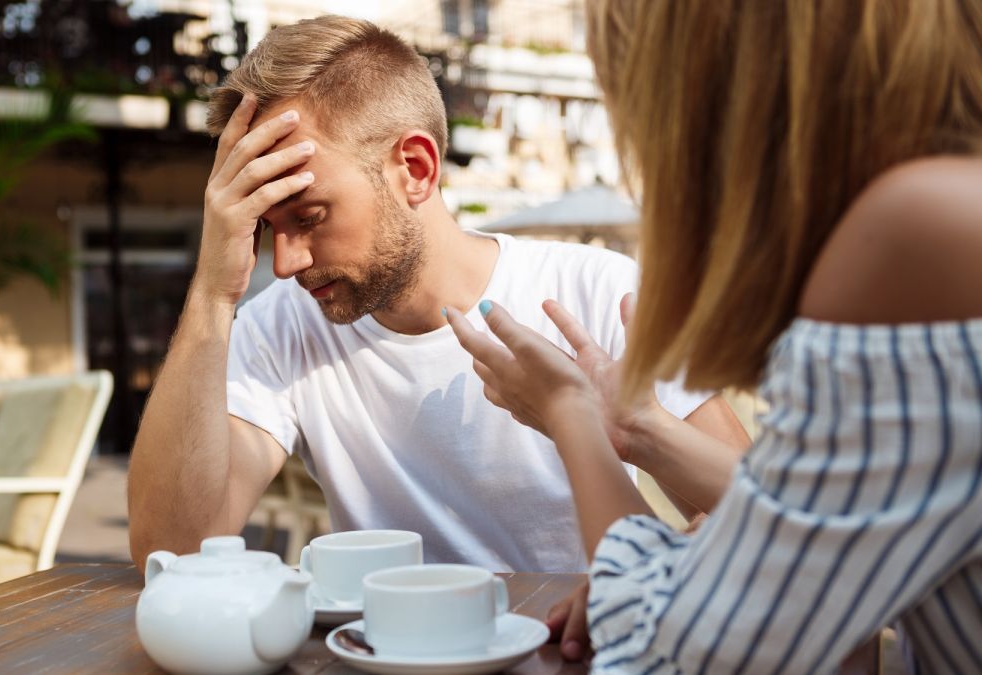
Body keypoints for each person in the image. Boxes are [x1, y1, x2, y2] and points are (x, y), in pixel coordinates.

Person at [448, 0, 982, 670]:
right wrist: (635, 428)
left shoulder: (911, 238)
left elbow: (681, 646)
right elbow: (807, 529)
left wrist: (569, 413)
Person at [127, 15, 749, 576]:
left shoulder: (594, 293)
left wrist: (653, 574)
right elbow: (172, 553)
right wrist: (213, 292)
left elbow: (761, 520)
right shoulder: (280, 328)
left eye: (310, 216)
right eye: (267, 229)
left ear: (416, 169)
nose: (285, 263)